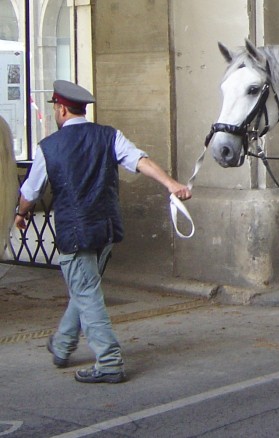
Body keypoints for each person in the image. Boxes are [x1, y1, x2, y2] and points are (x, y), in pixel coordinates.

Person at [14, 80, 192, 384]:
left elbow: (31, 191)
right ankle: (63, 343)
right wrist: (171, 184)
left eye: (56, 109)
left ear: (60, 109)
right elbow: (140, 160)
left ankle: (109, 361)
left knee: (85, 292)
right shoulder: (109, 136)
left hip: (75, 232)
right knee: (86, 288)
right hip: (106, 228)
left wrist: (21, 213)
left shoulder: (49, 148)